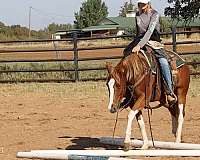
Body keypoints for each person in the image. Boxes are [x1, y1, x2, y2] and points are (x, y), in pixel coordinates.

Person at [123, 0, 176, 104]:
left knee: (163, 62)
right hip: (140, 40)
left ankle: (169, 92)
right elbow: (139, 32)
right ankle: (126, 90)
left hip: (153, 40)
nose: (140, 6)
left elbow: (150, 31)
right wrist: (135, 44)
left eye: (143, 4)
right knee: (126, 54)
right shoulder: (137, 14)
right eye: (139, 4)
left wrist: (139, 45)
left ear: (148, 4)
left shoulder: (155, 14)